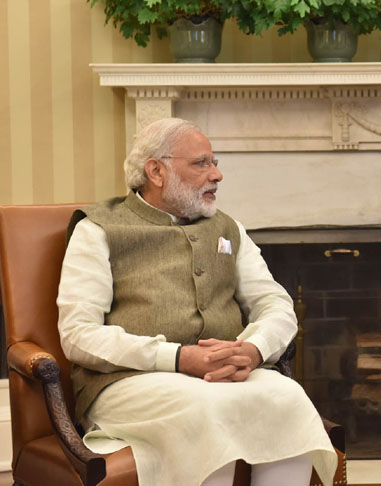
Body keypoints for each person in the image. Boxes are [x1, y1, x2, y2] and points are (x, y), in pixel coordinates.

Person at [57, 118, 337, 486]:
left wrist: (253, 349)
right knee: (207, 409)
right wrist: (177, 357)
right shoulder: (97, 229)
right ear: (156, 171)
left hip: (224, 377)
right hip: (128, 382)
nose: (217, 175)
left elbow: (276, 303)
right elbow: (78, 335)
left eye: (215, 162)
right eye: (202, 163)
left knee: (287, 396)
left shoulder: (228, 228)